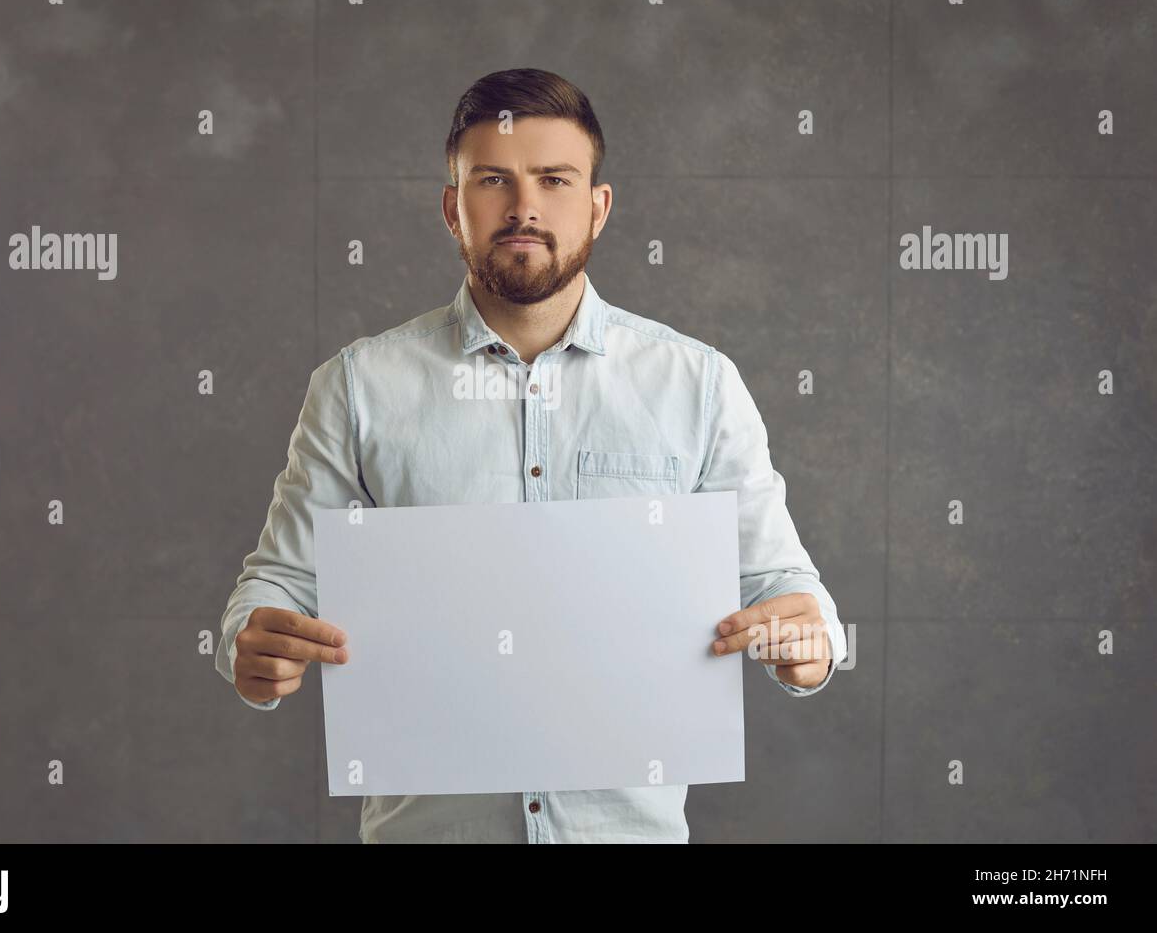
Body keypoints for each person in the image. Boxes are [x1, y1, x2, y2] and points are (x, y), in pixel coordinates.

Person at [215, 67, 848, 843]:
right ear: (453, 207)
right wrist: (250, 643)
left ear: (598, 206)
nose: (524, 208)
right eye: (493, 180)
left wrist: (809, 646)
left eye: (555, 179)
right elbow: (276, 582)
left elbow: (783, 582)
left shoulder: (699, 385)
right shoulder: (358, 387)